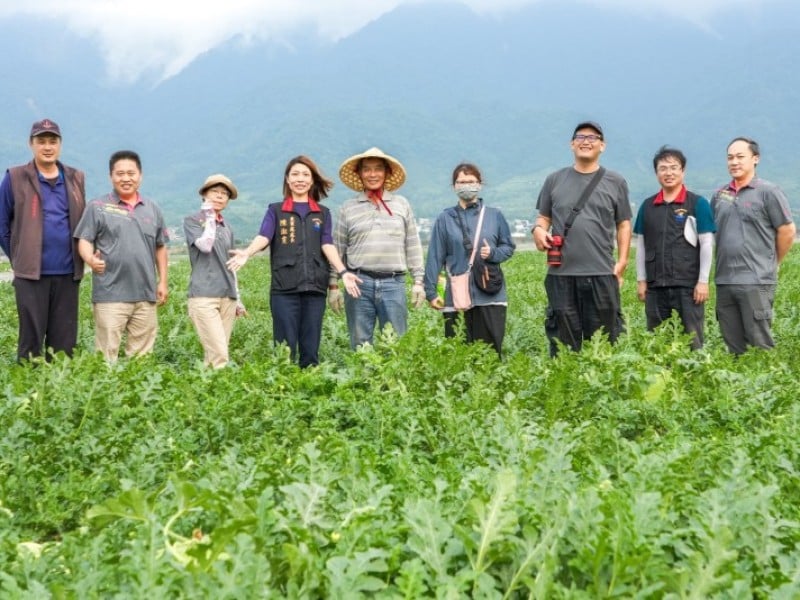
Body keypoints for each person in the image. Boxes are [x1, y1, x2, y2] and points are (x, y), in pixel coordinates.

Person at [227, 155, 359, 367]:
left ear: (312, 180)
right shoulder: (276, 210)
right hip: (284, 288)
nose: (300, 179)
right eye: (295, 174)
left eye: (305, 175)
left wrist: (343, 272)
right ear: (287, 180)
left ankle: (309, 389)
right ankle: (283, 391)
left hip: (315, 288)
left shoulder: (322, 213)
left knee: (311, 345)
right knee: (284, 346)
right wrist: (247, 252)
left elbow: (327, 244)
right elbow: (264, 236)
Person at [532, 121, 632, 355]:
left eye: (592, 137)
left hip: (601, 273)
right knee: (563, 346)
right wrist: (538, 230)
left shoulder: (616, 182)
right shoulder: (554, 180)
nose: (586, 141)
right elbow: (543, 217)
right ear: (571, 144)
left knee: (605, 343)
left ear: (602, 146)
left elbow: (624, 224)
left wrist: (622, 261)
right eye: (580, 137)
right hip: (561, 274)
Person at [0, 119, 86, 361]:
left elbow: (84, 223)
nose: (47, 147)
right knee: (31, 342)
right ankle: (31, 394)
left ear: (60, 144)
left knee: (64, 343)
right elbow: (1, 224)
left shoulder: (75, 178)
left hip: (69, 273)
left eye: (52, 141)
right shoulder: (15, 177)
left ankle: (59, 394)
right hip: (31, 276)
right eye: (41, 141)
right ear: (31, 144)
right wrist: (18, 256)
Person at [74, 150, 169, 362]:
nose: (126, 178)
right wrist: (90, 259)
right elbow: (84, 240)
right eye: (120, 173)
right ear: (111, 177)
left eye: (131, 173)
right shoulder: (97, 207)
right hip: (110, 296)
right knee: (106, 357)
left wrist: (163, 281)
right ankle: (107, 394)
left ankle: (130, 395)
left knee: (141, 359)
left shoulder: (152, 209)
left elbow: (160, 247)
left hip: (145, 295)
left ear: (140, 175)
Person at [332, 147, 425, 348]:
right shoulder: (348, 207)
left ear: (387, 173)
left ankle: (392, 380)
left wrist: (419, 281)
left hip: (394, 282)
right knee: (360, 342)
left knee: (396, 343)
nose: (372, 174)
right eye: (366, 169)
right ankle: (363, 379)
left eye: (378, 169)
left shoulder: (401, 204)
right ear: (359, 174)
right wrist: (333, 286)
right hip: (358, 282)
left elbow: (412, 244)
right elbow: (337, 249)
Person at [711, 137, 795, 355]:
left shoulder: (768, 192)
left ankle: (765, 386)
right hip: (724, 280)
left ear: (755, 159)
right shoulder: (720, 195)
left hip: (756, 280)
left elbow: (787, 230)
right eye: (730, 157)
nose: (734, 162)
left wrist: (774, 261)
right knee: (733, 345)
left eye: (740, 157)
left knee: (760, 343)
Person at [423, 163, 515, 356]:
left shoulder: (494, 215)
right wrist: (430, 292)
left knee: (489, 355)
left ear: (479, 184)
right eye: (461, 182)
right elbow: (435, 255)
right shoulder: (445, 218)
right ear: (454, 186)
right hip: (456, 295)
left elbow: (508, 247)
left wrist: (492, 254)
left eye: (471, 181)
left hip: (490, 294)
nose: (466, 185)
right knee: (457, 355)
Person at [633, 146, 715, 350]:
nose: (668, 173)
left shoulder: (697, 203)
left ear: (683, 171)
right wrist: (641, 280)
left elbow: (706, 243)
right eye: (663, 168)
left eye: (673, 168)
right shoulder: (647, 206)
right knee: (657, 343)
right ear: (656, 173)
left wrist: (703, 282)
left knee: (692, 342)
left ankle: (692, 380)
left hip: (687, 286)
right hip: (655, 286)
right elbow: (641, 246)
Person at [184, 174, 245, 368]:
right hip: (203, 295)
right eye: (215, 192)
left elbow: (231, 263)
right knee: (219, 353)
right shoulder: (193, 220)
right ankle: (221, 395)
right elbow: (205, 246)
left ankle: (208, 393)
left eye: (224, 194)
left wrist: (238, 298)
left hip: (227, 296)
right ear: (204, 194)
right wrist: (209, 217)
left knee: (218, 352)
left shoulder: (227, 227)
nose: (219, 196)